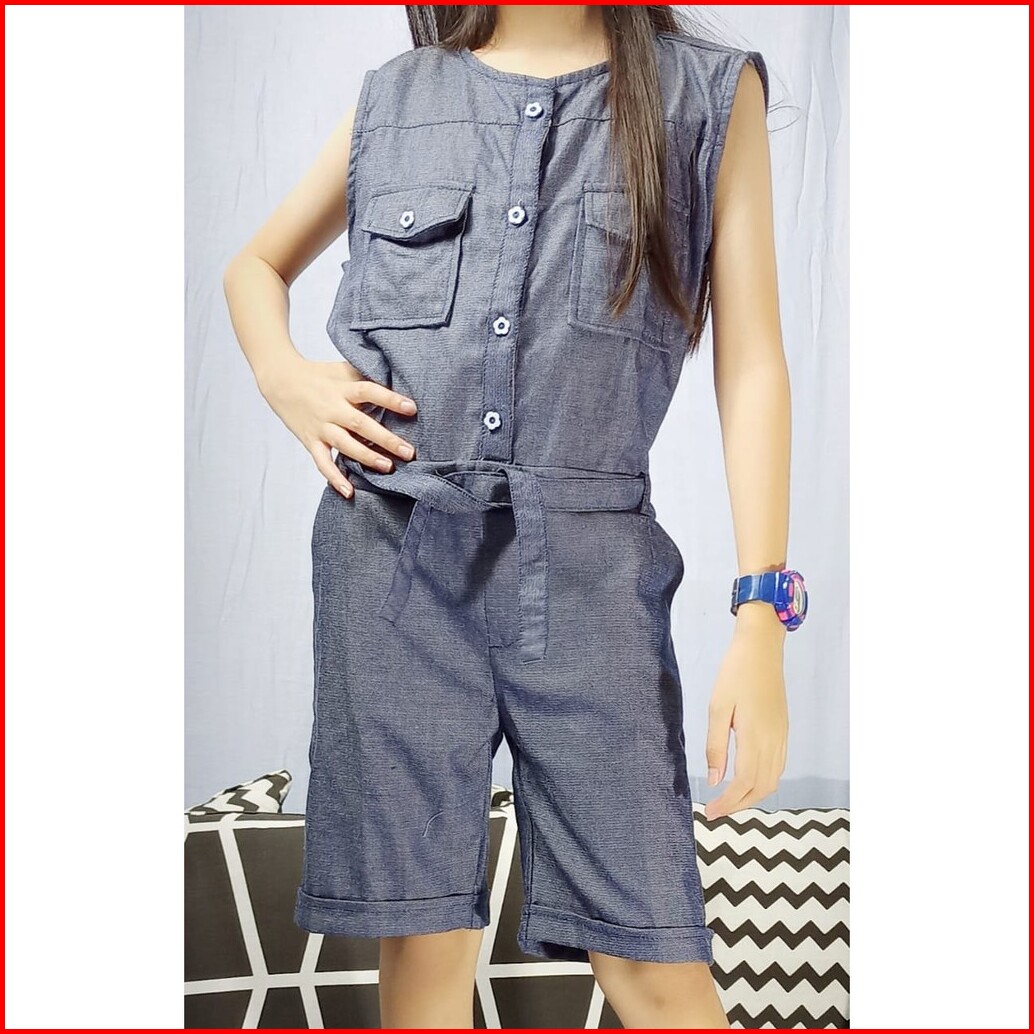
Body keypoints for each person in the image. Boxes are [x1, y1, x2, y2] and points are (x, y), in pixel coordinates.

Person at [223, 5, 807, 1028]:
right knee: (422, 944)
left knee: (651, 957)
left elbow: (751, 358)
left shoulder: (709, 94)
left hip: (592, 567)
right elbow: (253, 266)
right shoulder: (398, 96)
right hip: (390, 552)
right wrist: (287, 378)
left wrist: (762, 613)